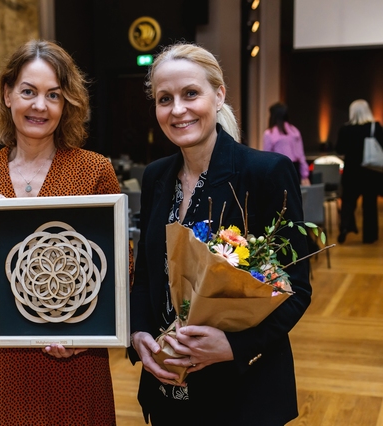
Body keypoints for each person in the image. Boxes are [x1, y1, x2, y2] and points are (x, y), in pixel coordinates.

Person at [0, 39, 127, 425]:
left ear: (66, 103)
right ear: (8, 94)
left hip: (76, 366)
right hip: (0, 370)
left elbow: (121, 272)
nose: (40, 105)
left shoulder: (94, 171)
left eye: (53, 95)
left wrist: (87, 338)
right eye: (28, 92)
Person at [127, 42, 312, 425]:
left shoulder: (265, 173)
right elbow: (145, 275)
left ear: (219, 95)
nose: (177, 109)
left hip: (243, 393)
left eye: (190, 93)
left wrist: (234, 345)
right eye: (165, 99)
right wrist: (139, 333)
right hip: (167, 389)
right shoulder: (156, 177)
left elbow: (296, 289)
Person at [335, 99, 383, 244]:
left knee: (348, 202)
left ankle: (345, 227)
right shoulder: (375, 127)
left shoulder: (345, 129)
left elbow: (339, 149)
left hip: (351, 172)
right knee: (370, 205)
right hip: (370, 172)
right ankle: (369, 236)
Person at [263, 102, 311, 186]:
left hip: (278, 169)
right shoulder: (294, 131)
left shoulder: (269, 133)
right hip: (295, 169)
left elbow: (266, 157)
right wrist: (305, 175)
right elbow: (301, 155)